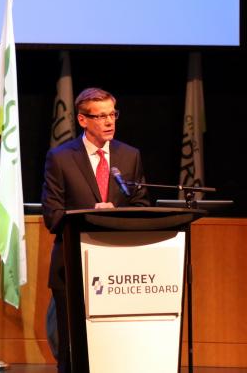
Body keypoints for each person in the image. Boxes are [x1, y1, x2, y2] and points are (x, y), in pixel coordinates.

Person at [41, 87, 149, 372]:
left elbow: (141, 205)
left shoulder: (130, 156)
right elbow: (52, 216)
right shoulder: (61, 158)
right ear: (82, 120)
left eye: (112, 113)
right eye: (100, 116)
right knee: (72, 350)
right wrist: (90, 215)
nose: (109, 121)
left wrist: (118, 216)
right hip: (73, 266)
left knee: (114, 348)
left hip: (118, 267)